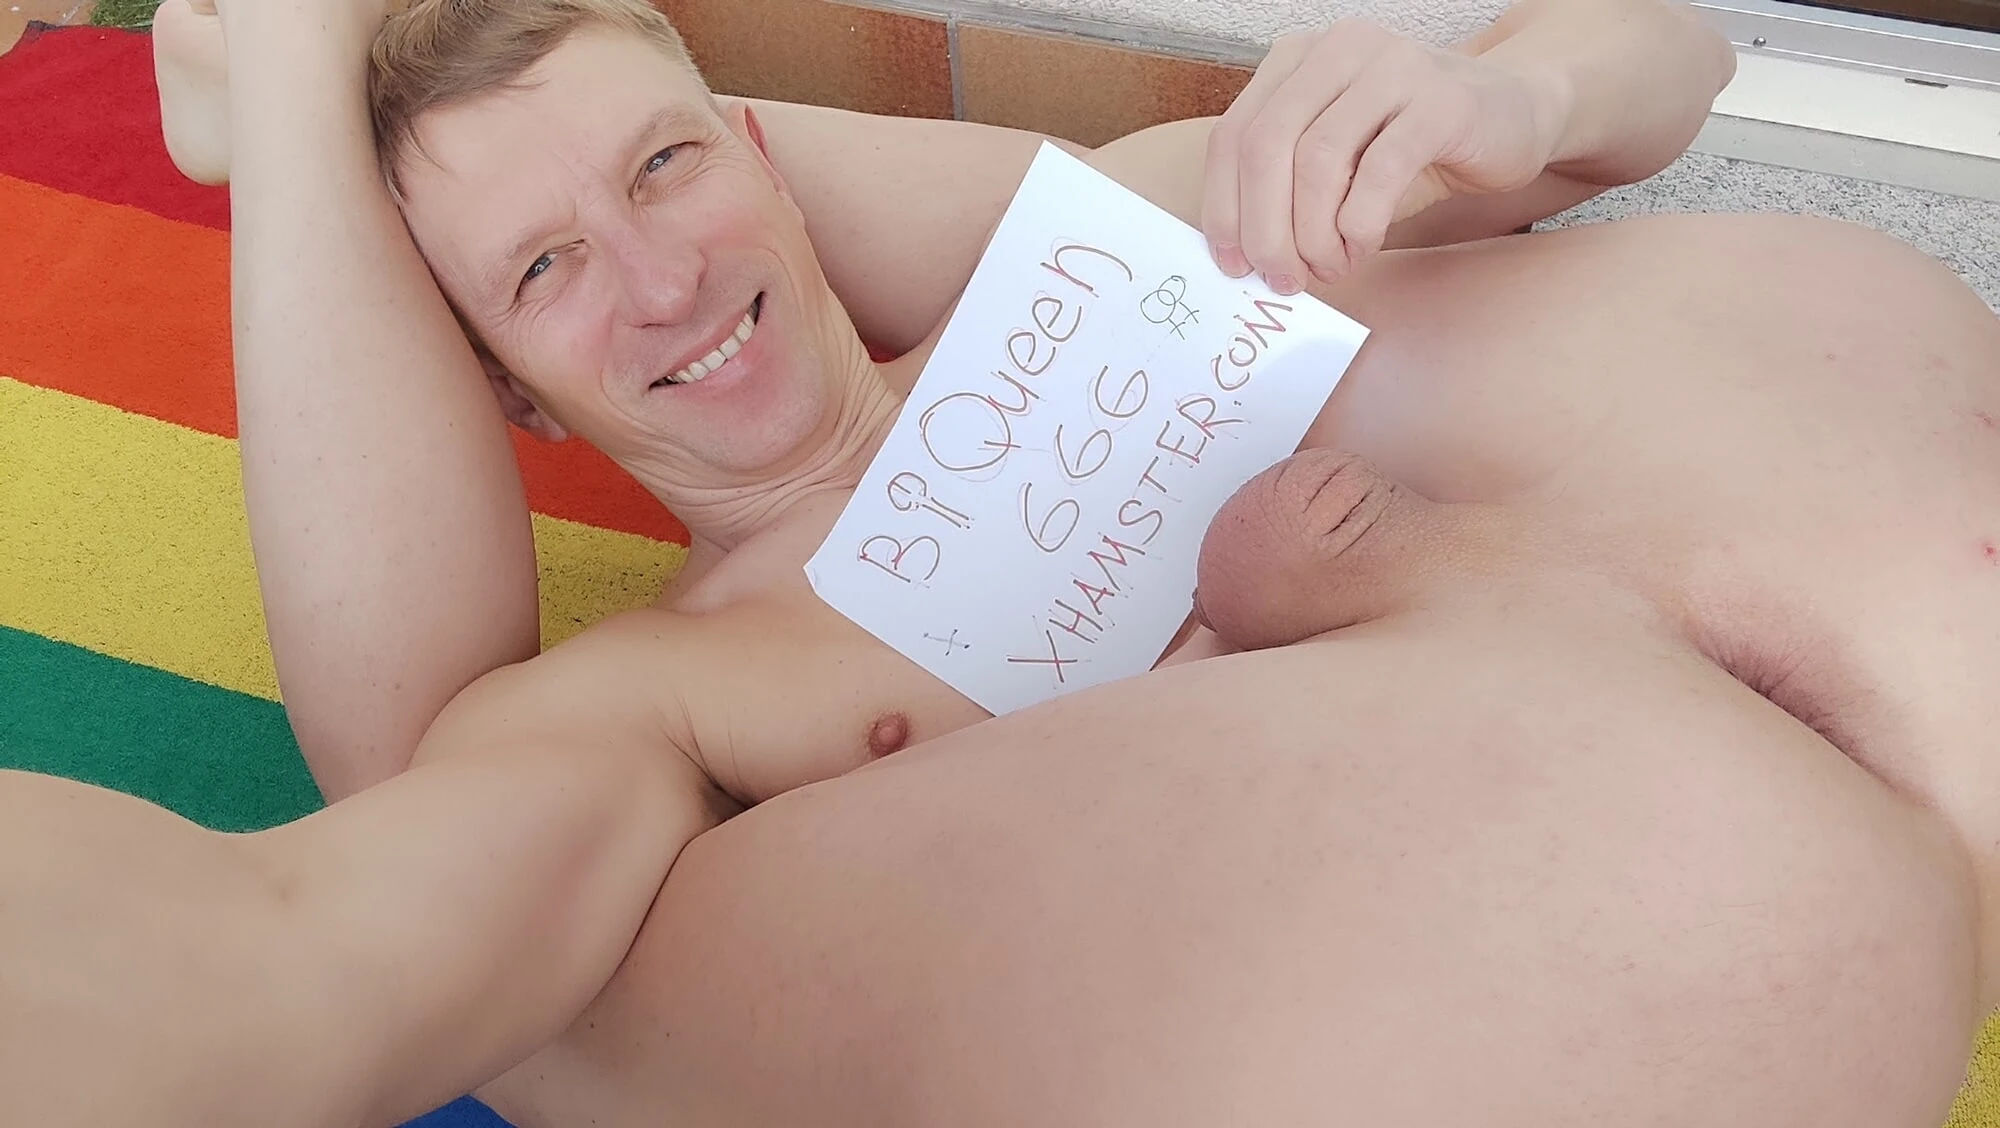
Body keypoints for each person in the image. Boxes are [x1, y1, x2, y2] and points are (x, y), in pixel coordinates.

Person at [1, 3, 1993, 1128]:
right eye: (545, 272)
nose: (663, 278)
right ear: (504, 397)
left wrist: (1507, 97)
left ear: (762, 150)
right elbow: (322, 937)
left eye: (667, 165)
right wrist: (297, 71)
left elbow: (1668, 61)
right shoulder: (664, 701)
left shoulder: (1121, 245)